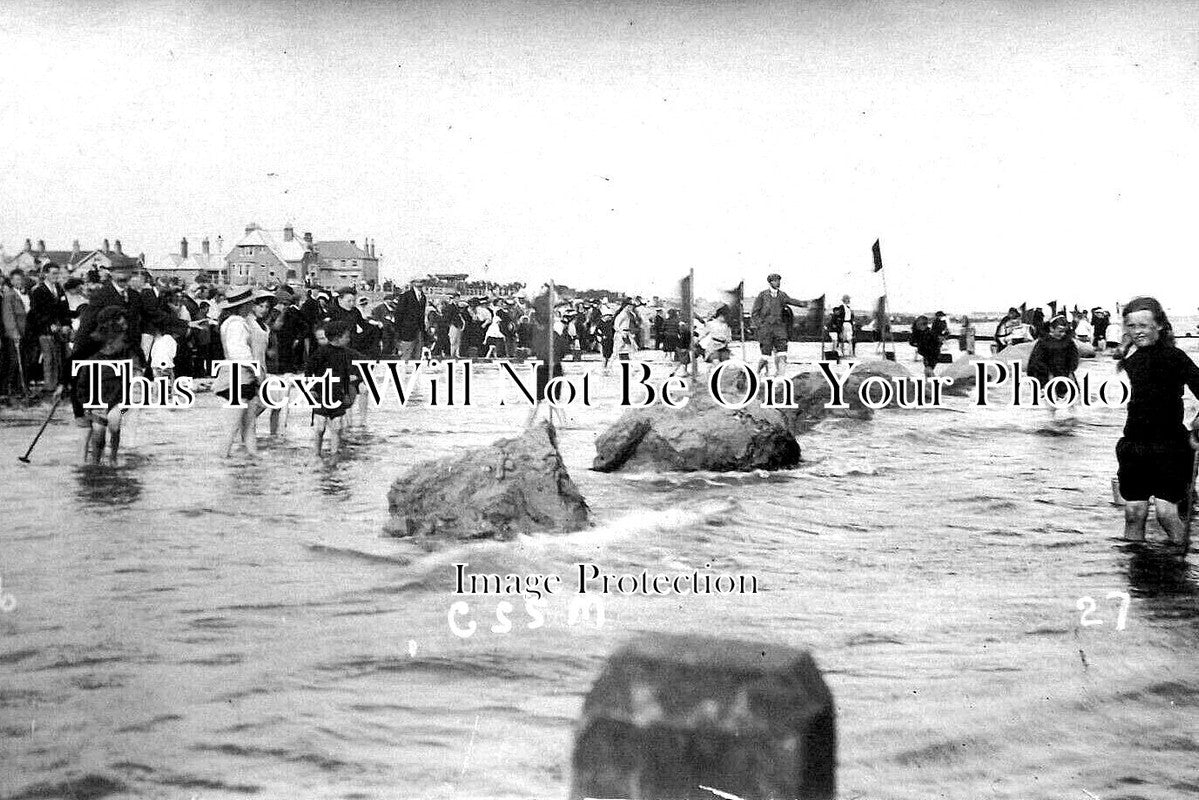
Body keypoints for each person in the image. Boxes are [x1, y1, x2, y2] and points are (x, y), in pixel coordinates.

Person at [1115, 297, 1199, 551]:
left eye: (1144, 325)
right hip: (1135, 446)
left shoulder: (1175, 356)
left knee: (1165, 513)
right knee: (1134, 513)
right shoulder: (1132, 359)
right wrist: (1123, 349)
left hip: (1170, 447)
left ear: (1160, 325)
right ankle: (1134, 573)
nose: (1137, 330)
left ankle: (1182, 567)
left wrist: (1197, 423)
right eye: (1131, 326)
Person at [213, 286, 268, 458]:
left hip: (241, 379)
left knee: (247, 425)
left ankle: (252, 458)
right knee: (234, 427)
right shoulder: (237, 324)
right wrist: (258, 373)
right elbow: (240, 354)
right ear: (244, 305)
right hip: (238, 378)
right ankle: (225, 459)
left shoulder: (234, 322)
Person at [305, 319, 358, 457]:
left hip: (337, 394)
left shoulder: (345, 353)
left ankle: (334, 453)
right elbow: (309, 371)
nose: (349, 338)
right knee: (320, 426)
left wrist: (347, 392)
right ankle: (316, 453)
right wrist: (310, 389)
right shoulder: (321, 353)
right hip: (321, 394)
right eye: (346, 336)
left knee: (337, 425)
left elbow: (346, 374)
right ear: (337, 338)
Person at [1027, 315, 1081, 429]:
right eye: (1060, 331)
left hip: (1065, 374)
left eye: (1064, 331)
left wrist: (1071, 370)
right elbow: (1036, 361)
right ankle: (1051, 423)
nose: (1062, 334)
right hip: (1047, 376)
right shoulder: (1043, 342)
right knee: (1051, 402)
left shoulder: (1068, 342)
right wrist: (1045, 374)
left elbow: (1074, 358)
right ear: (1051, 329)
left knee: (1072, 399)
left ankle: (1073, 421)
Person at [750, 273, 806, 377]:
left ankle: (780, 375)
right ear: (770, 282)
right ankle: (757, 373)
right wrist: (761, 325)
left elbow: (793, 301)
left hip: (779, 329)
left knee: (783, 353)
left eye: (779, 280)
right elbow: (754, 313)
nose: (778, 283)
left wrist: (806, 303)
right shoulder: (762, 295)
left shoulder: (782, 295)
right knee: (765, 356)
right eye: (775, 281)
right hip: (766, 329)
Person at [395, 280, 428, 359]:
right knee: (406, 356)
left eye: (422, 281)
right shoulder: (406, 296)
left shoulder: (423, 297)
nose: (420, 283)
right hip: (407, 332)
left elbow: (422, 315)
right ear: (413, 283)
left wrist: (423, 331)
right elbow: (399, 314)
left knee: (417, 356)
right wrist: (399, 332)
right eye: (418, 281)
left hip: (419, 331)